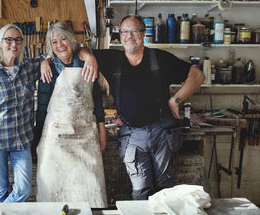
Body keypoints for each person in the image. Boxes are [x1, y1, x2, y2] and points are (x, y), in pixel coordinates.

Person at [79, 15, 205, 200]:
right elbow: (80, 49)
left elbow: (197, 76)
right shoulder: (112, 59)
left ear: (143, 33)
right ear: (119, 36)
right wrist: (90, 57)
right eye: (124, 32)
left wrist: (175, 100)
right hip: (133, 135)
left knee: (165, 190)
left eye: (134, 31)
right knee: (140, 191)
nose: (129, 36)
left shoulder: (160, 58)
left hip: (163, 132)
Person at [0, 24, 98, 203]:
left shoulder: (29, 67)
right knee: (0, 192)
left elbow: (53, 55)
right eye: (8, 39)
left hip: (22, 139)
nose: (13, 44)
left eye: (18, 40)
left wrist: (45, 62)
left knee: (23, 191)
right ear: (0, 43)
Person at [35, 22, 107, 208]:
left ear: (71, 40)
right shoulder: (48, 68)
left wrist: (102, 130)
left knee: (90, 186)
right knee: (56, 188)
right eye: (54, 42)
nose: (60, 45)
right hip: (56, 138)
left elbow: (97, 102)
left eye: (63, 38)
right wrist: (38, 141)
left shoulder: (86, 63)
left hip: (85, 136)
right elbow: (42, 108)